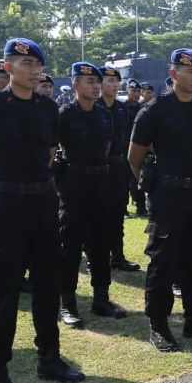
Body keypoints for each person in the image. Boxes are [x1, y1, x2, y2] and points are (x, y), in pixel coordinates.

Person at [0, 38, 85, 383]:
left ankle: (50, 358)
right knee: (5, 290)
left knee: (48, 284)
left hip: (43, 202)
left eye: (36, 65)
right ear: (8, 67)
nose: (32, 71)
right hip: (6, 204)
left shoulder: (48, 107)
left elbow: (49, 151)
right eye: (24, 64)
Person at [128, 48, 192, 352]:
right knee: (164, 262)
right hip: (168, 196)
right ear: (173, 75)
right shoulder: (154, 111)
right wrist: (151, 189)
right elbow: (135, 156)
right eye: (188, 72)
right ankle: (159, 325)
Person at [57, 62, 127, 329]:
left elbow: (107, 146)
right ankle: (68, 304)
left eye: (98, 81)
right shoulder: (65, 114)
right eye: (89, 82)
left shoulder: (103, 114)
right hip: (74, 183)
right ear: (76, 85)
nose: (96, 86)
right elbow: (52, 151)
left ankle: (101, 298)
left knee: (101, 243)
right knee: (70, 247)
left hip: (100, 180)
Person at [96, 66, 140, 272]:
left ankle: (118, 256)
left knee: (117, 213)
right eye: (109, 81)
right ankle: (98, 256)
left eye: (116, 82)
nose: (114, 85)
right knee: (98, 215)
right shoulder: (92, 106)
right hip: (97, 169)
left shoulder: (122, 109)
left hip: (118, 166)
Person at [125, 78, 147, 216]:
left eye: (138, 91)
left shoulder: (143, 109)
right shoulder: (121, 108)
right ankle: (123, 208)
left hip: (138, 148)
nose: (136, 94)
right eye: (133, 91)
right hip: (123, 148)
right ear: (127, 91)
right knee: (123, 181)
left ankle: (141, 207)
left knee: (138, 178)